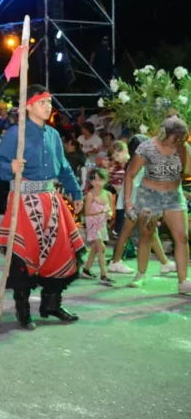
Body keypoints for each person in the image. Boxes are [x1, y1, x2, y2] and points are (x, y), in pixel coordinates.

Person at [0, 85, 85, 330]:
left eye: (50, 102)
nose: (48, 106)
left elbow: (63, 167)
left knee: (61, 251)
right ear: (29, 106)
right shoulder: (16, 134)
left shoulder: (53, 135)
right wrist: (10, 166)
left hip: (51, 200)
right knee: (25, 255)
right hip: (23, 200)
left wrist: (75, 192)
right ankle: (23, 311)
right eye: (42, 102)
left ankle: (51, 304)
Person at [123, 117, 190, 294]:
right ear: (164, 134)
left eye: (180, 139)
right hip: (150, 197)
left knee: (182, 237)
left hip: (174, 196)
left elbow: (187, 173)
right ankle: (141, 274)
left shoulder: (182, 147)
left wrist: (184, 151)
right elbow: (130, 175)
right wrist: (128, 202)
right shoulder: (147, 148)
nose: (176, 142)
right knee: (147, 235)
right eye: (174, 138)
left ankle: (183, 281)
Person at [107, 135, 175, 276]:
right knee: (127, 233)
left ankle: (165, 263)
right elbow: (138, 186)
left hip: (133, 203)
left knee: (151, 233)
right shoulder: (140, 164)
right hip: (135, 204)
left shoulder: (136, 162)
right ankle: (116, 262)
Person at [79, 168, 116, 285]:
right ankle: (104, 275)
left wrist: (108, 214)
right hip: (92, 225)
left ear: (105, 180)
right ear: (91, 182)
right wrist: (102, 212)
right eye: (94, 180)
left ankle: (86, 270)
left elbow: (110, 210)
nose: (97, 182)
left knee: (95, 248)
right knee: (101, 248)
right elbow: (87, 212)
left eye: (100, 180)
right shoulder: (90, 195)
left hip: (102, 224)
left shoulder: (108, 194)